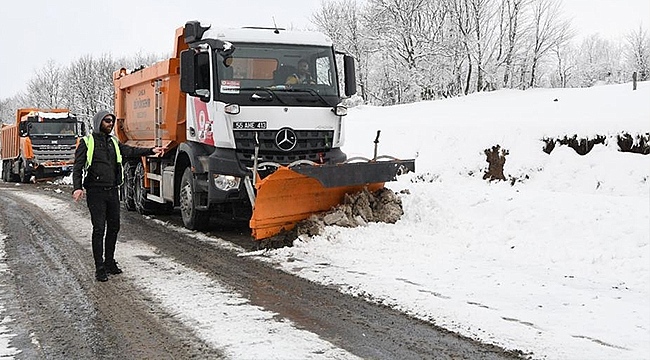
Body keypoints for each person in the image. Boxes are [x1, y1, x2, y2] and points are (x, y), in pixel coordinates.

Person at [72, 110, 164, 282]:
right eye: (107, 121)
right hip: (96, 192)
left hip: (113, 191)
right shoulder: (87, 142)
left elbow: (131, 151)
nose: (110, 124)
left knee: (114, 228)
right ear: (99, 122)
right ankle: (99, 268)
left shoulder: (113, 142)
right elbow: (77, 168)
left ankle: (109, 262)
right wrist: (77, 188)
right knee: (99, 229)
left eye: (112, 121)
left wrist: (151, 150)